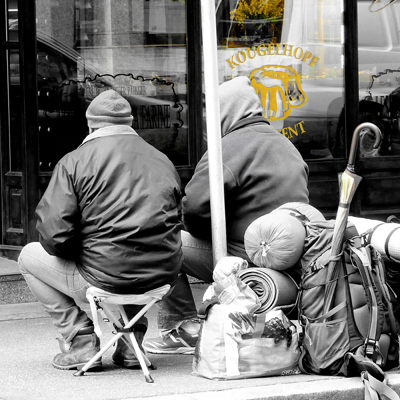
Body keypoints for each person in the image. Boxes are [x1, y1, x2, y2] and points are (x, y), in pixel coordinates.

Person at [18, 89, 183, 371]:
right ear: (130, 124)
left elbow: (54, 236)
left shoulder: (75, 161)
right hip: (161, 277)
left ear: (91, 125)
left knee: (27, 257)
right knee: (127, 253)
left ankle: (80, 339)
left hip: (104, 278)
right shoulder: (162, 160)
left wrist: (81, 252)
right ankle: (132, 343)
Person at [143, 76, 310, 354]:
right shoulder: (287, 146)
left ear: (225, 112)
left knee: (158, 239)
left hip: (245, 260)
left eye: (212, 111)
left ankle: (184, 328)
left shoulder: (229, 147)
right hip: (291, 264)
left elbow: (194, 209)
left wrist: (197, 230)